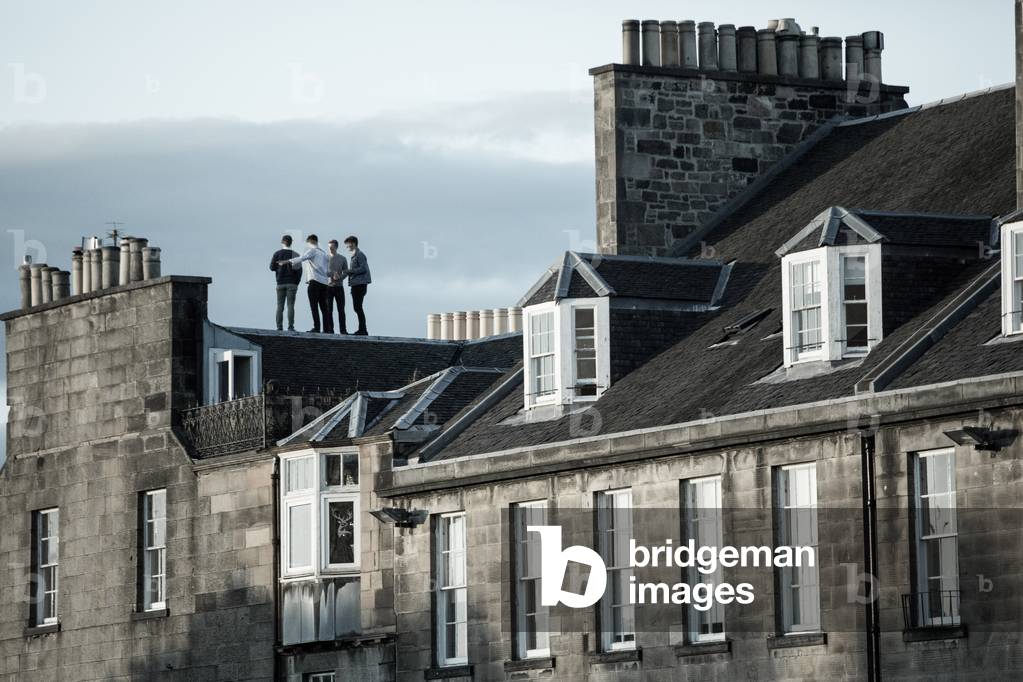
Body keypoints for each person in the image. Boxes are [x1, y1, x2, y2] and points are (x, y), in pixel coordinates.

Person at [280, 234, 332, 333]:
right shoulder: (325, 254)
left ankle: (317, 327)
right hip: (324, 283)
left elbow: (302, 258)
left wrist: (286, 261)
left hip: (314, 281)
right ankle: (326, 329)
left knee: (314, 306)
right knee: (324, 308)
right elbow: (328, 270)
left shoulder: (312, 251)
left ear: (311, 242)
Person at [269, 235, 301, 331]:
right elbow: (299, 271)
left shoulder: (277, 254)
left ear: (282, 242)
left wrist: (278, 269)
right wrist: (296, 282)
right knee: (290, 305)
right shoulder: (296, 254)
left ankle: (279, 327)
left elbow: (271, 267)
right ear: (291, 242)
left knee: (280, 306)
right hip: (292, 283)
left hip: (280, 282)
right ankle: (291, 327)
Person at [344, 235, 371, 335]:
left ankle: (363, 329)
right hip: (356, 285)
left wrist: (351, 271)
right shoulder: (355, 255)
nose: (347, 247)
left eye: (348, 245)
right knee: (357, 307)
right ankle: (362, 329)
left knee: (358, 307)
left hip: (360, 284)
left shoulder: (359, 255)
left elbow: (363, 268)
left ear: (353, 243)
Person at [326, 239, 349, 334]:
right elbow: (322, 272)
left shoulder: (342, 258)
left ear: (336, 247)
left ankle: (343, 330)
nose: (330, 249)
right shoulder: (325, 258)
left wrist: (340, 277)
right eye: (329, 247)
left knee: (341, 310)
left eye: (332, 247)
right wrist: (332, 274)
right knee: (328, 310)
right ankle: (330, 330)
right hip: (328, 287)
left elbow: (346, 271)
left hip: (339, 287)